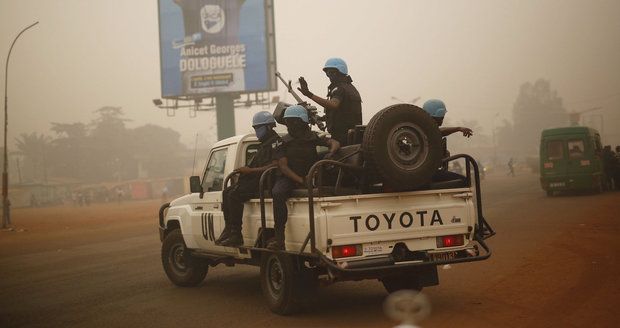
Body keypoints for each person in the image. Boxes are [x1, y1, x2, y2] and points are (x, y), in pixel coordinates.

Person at [268, 105, 340, 250]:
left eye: (294, 121)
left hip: (310, 175)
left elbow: (334, 142)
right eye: (288, 122)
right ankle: (279, 238)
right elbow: (283, 166)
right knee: (277, 193)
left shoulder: (313, 137)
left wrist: (331, 152)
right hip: (289, 178)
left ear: (302, 122)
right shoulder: (281, 141)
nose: (291, 125)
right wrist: (301, 181)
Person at [215, 111, 281, 247]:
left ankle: (236, 235)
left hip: (266, 182)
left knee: (234, 195)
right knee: (226, 192)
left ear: (268, 127)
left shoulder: (275, 143)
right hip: (257, 180)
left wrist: (250, 171)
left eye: (258, 128)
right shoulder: (265, 143)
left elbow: (275, 165)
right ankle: (229, 230)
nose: (256, 131)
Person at [297, 58, 362, 146]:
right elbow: (345, 112)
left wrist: (309, 94)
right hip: (352, 136)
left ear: (340, 71)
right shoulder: (351, 88)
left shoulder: (340, 88)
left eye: (331, 72)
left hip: (342, 137)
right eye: (327, 73)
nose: (329, 76)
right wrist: (321, 118)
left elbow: (333, 105)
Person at [422, 99, 472, 181]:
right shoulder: (425, 130)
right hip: (428, 174)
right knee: (464, 181)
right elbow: (438, 132)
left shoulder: (419, 128)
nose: (442, 119)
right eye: (441, 117)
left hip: (427, 172)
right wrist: (458, 128)